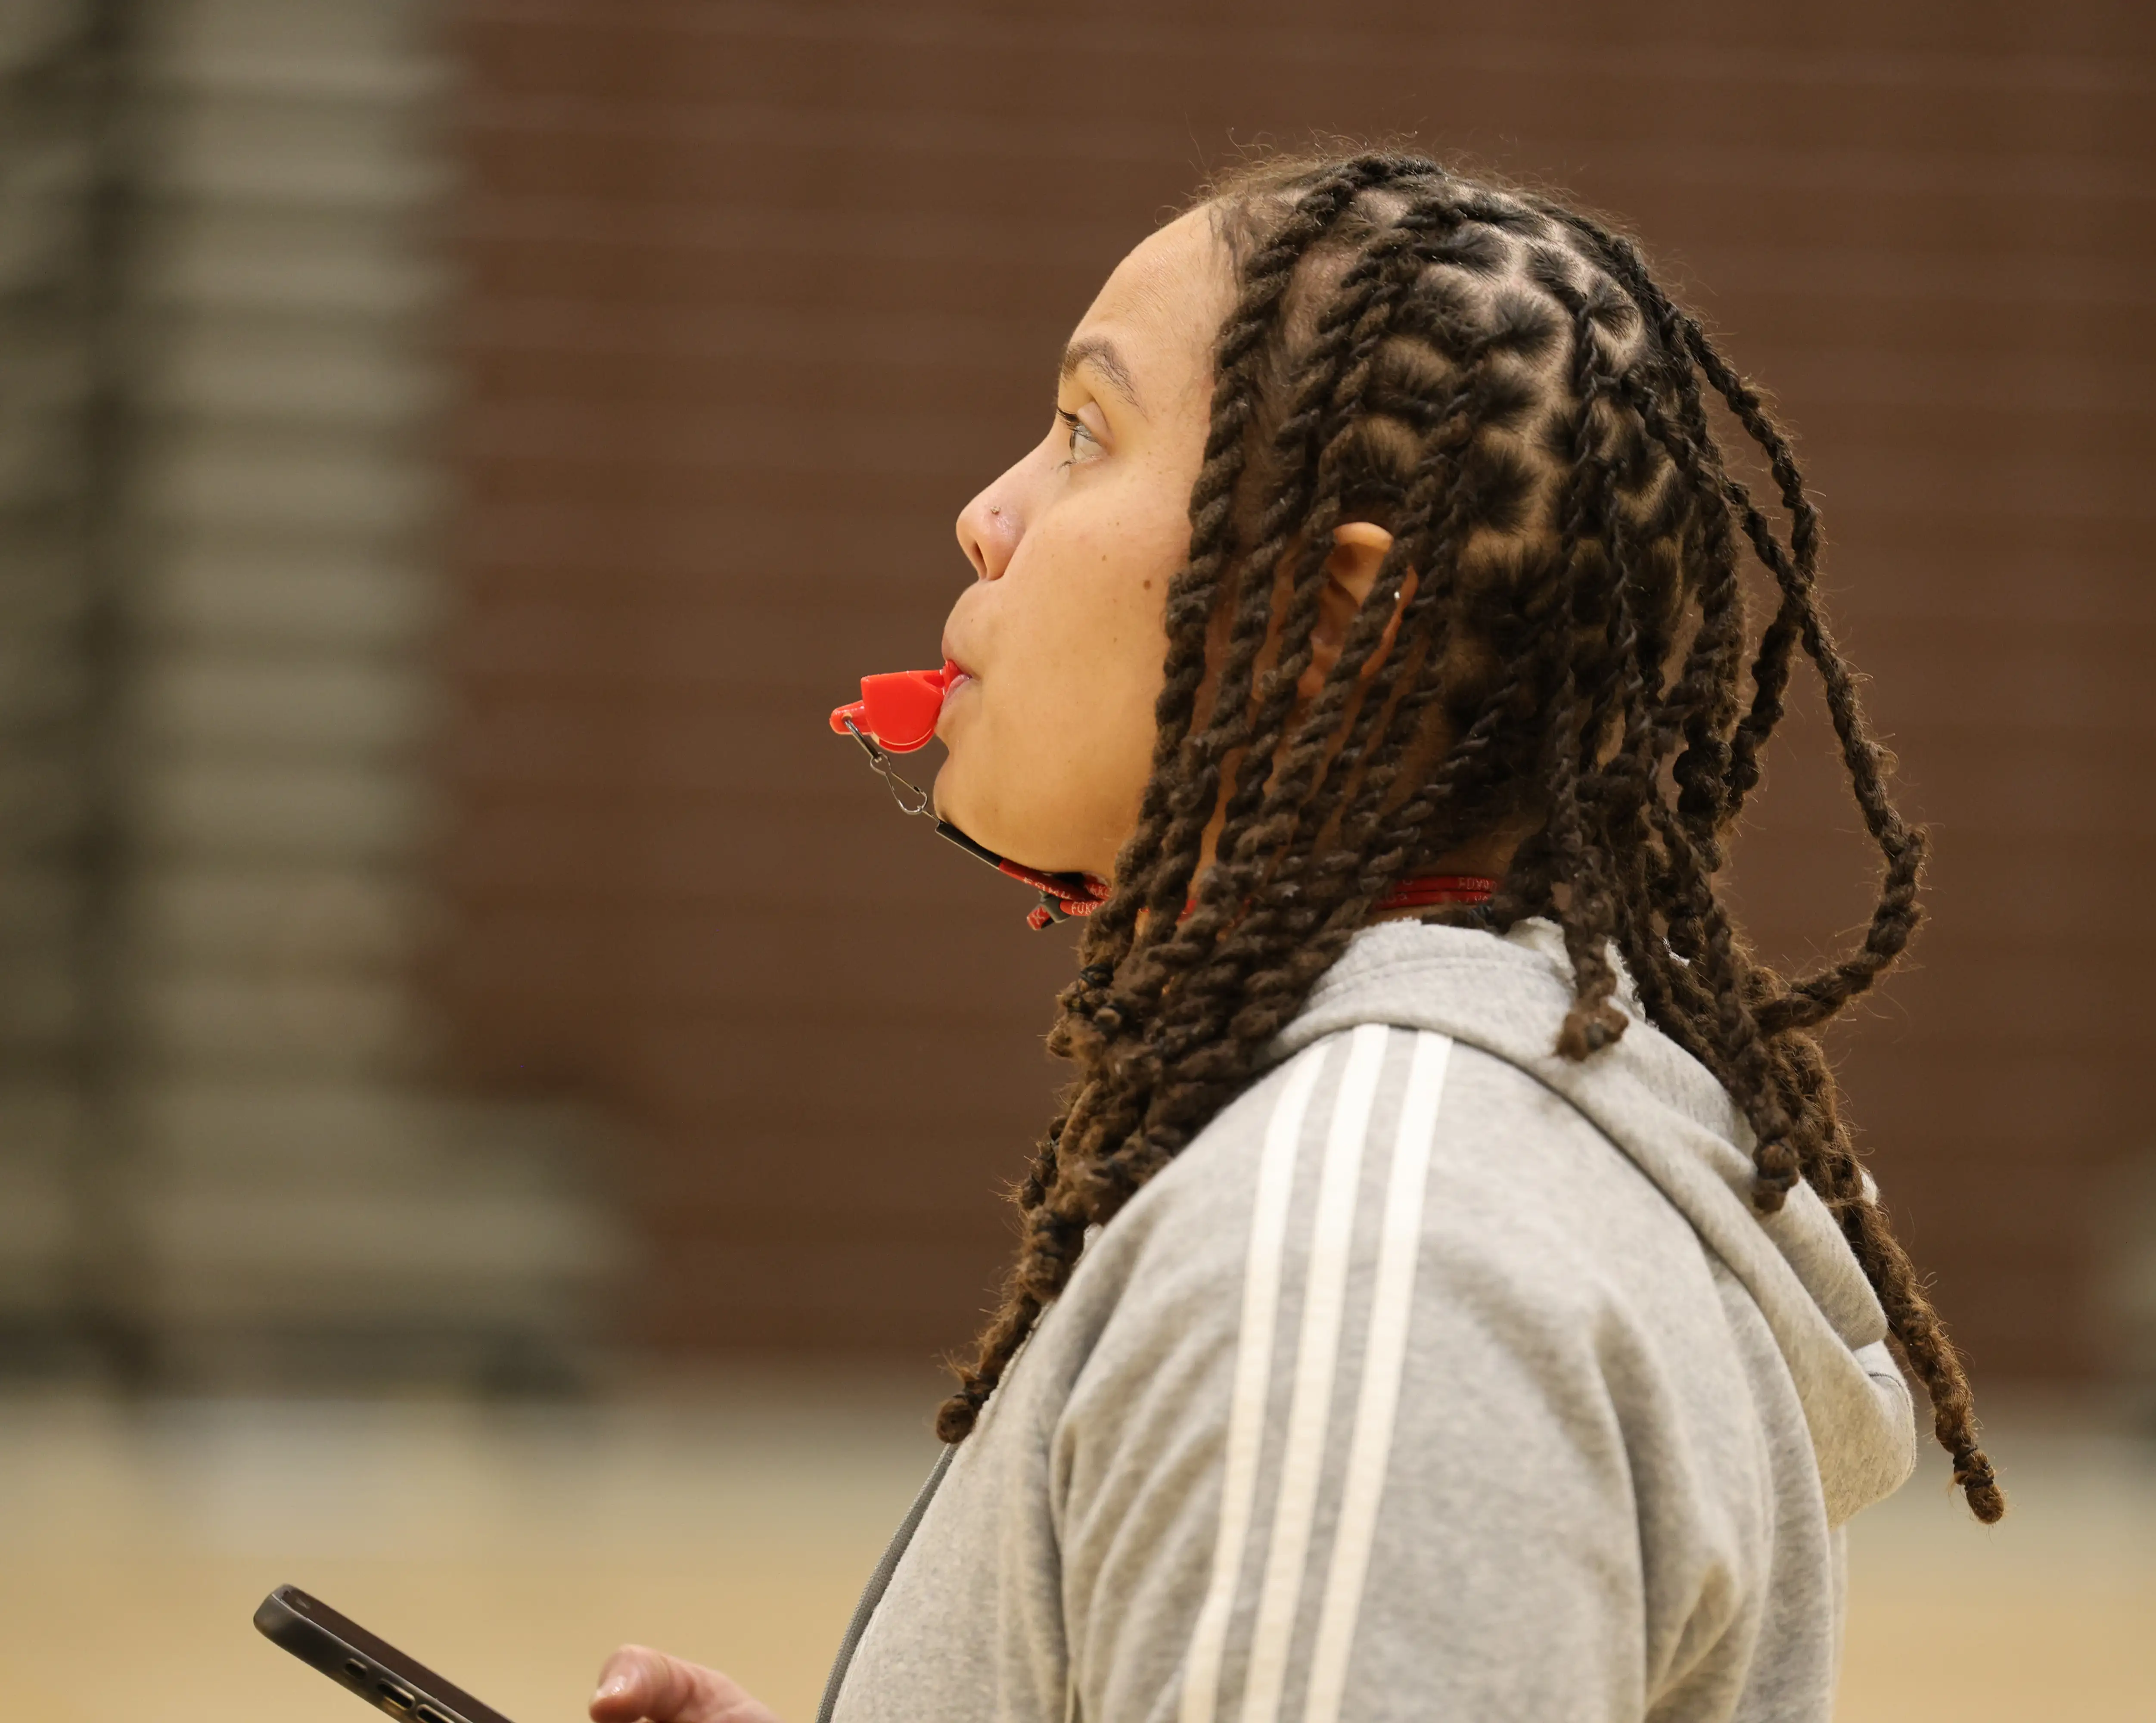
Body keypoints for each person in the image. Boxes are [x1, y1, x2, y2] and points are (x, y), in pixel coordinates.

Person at [587, 149, 2001, 1723]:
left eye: (1082, 433)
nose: (987, 516)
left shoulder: (1373, 1257)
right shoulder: (1451, 1171)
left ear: (1339, 616)